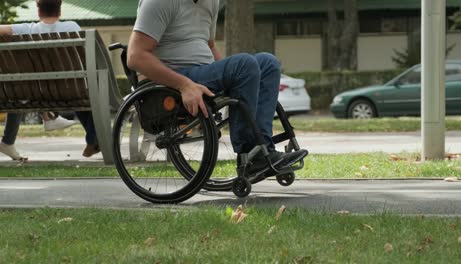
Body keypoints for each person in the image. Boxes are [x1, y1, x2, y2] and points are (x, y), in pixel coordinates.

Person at [127, 0, 307, 174]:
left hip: (203, 73)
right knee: (245, 64)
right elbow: (135, 57)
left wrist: (233, 79)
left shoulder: (211, 1)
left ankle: (263, 149)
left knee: (268, 63)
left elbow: (209, 45)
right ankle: (249, 153)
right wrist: (184, 85)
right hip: (173, 78)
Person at [0, 0, 100, 160]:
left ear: (38, 11)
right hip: (70, 91)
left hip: (35, 94)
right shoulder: (72, 27)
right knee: (85, 94)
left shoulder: (27, 29)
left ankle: (49, 118)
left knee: (20, 88)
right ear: (60, 11)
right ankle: (93, 140)